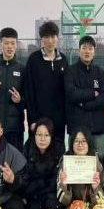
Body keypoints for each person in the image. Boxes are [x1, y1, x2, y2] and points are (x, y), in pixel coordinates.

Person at [24, 21, 69, 153]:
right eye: (46, 37)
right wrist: (32, 120)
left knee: (58, 152)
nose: (50, 41)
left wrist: (66, 118)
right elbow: (29, 91)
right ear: (41, 39)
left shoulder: (63, 59)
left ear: (57, 38)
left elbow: (66, 91)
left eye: (53, 37)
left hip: (59, 120)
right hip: (39, 119)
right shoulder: (33, 60)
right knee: (38, 154)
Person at [57, 127, 104, 209]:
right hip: (71, 206)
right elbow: (62, 200)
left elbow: (102, 199)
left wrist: (95, 188)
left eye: (84, 141)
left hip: (90, 207)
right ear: (71, 143)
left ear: (89, 143)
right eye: (76, 141)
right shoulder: (65, 161)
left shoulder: (96, 162)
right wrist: (64, 186)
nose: (80, 144)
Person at [64, 36, 104, 156]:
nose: (87, 51)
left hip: (97, 127)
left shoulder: (100, 72)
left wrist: (84, 104)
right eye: (84, 48)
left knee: (100, 159)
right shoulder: (70, 71)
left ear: (94, 52)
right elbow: (71, 94)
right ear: (79, 51)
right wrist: (92, 93)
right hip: (76, 127)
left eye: (90, 48)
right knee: (75, 161)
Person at [19, 118, 62, 209]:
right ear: (34, 136)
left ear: (51, 136)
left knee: (52, 204)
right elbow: (24, 182)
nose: (42, 139)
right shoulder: (27, 150)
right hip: (33, 199)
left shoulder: (58, 152)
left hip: (50, 199)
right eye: (39, 135)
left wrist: (38, 184)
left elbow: (54, 184)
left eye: (46, 135)